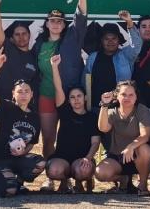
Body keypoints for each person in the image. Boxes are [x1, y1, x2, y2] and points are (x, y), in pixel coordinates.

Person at [32, 0, 87, 190]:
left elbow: (81, 16)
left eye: (59, 21)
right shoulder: (39, 45)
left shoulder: (73, 37)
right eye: (52, 21)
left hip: (71, 95)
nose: (56, 24)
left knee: (70, 136)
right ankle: (51, 177)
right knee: (48, 138)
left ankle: (70, 178)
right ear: (47, 24)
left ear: (64, 25)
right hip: (47, 95)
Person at [0, 49, 46, 197]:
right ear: (13, 94)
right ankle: (1, 182)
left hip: (17, 158)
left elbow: (32, 142)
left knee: (40, 163)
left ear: (31, 94)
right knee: (10, 192)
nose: (23, 95)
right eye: (19, 92)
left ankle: (18, 181)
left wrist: (24, 151)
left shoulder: (35, 117)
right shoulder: (7, 107)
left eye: (26, 91)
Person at [46, 55, 101, 194]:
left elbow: (95, 142)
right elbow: (58, 88)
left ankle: (81, 181)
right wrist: (54, 67)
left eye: (79, 96)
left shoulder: (92, 117)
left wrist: (88, 158)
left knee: (83, 170)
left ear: (85, 98)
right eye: (72, 97)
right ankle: (64, 182)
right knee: (54, 170)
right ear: (68, 101)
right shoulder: (65, 112)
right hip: (62, 157)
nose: (76, 100)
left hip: (82, 157)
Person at [95, 81, 150, 196]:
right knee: (100, 173)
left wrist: (131, 146)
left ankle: (143, 184)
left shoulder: (141, 110)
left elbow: (145, 135)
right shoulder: (112, 111)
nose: (127, 98)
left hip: (137, 156)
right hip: (118, 157)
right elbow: (103, 128)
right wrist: (105, 105)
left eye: (131, 95)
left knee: (145, 150)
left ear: (136, 96)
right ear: (117, 96)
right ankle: (123, 179)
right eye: (123, 94)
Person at [84, 10, 141, 106]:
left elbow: (137, 45)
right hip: (97, 107)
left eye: (114, 38)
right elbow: (85, 81)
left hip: (121, 107)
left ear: (119, 40)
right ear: (101, 41)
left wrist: (129, 22)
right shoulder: (93, 57)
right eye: (107, 38)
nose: (110, 42)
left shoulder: (126, 55)